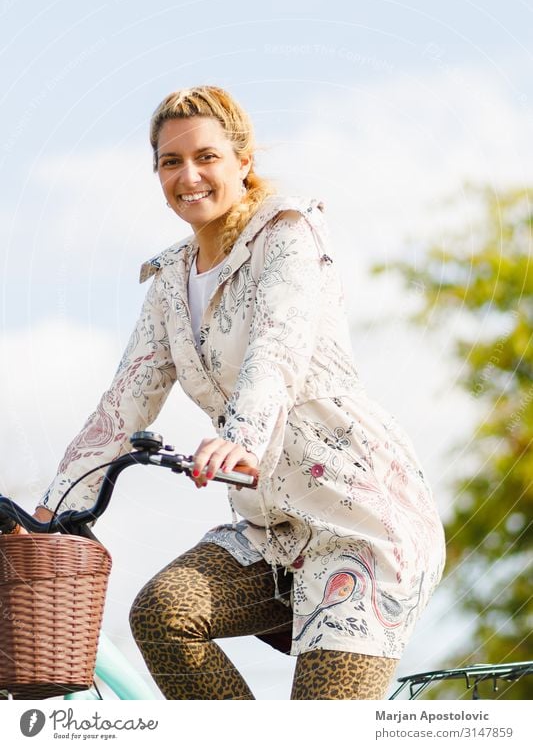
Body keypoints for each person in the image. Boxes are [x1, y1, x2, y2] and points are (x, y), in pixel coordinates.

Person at [34, 85, 446, 700]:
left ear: (243, 160)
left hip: (361, 524)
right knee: (163, 614)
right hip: (268, 531)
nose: (188, 176)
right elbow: (123, 404)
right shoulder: (170, 279)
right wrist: (49, 515)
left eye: (206, 157)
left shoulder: (287, 233)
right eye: (170, 162)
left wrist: (239, 440)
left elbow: (274, 351)